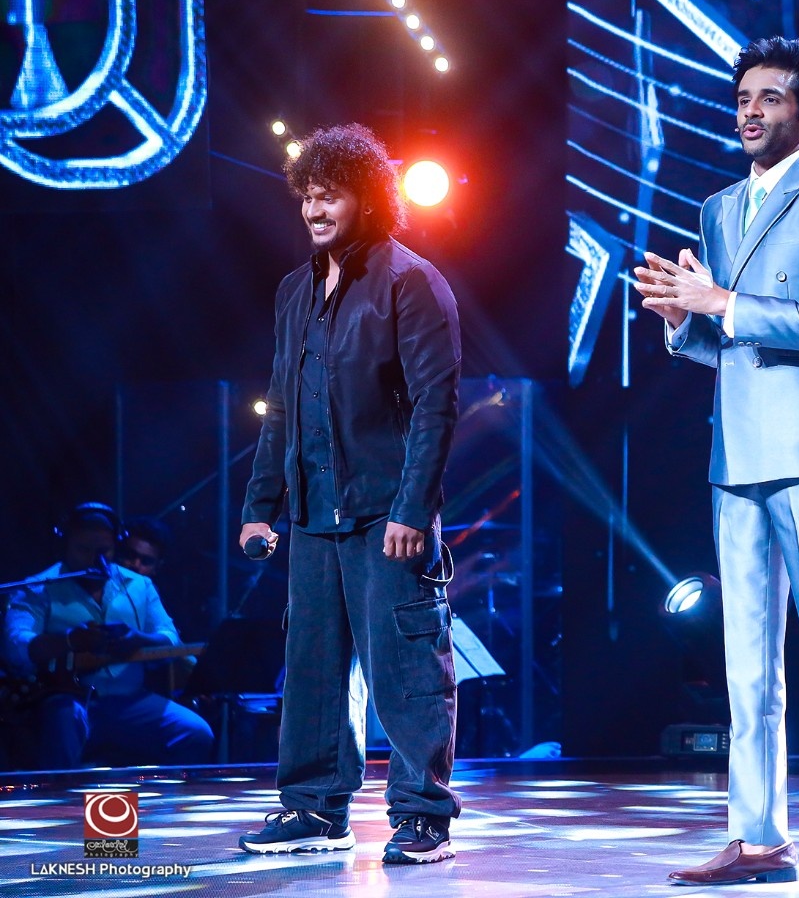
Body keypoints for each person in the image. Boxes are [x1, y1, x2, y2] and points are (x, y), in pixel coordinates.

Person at [634, 36, 799, 898]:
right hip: (736, 453)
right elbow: (724, 342)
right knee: (746, 661)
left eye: (769, 98)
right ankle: (758, 837)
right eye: (743, 98)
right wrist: (683, 322)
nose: (749, 111)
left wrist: (725, 301)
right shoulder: (718, 207)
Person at [236, 124, 463, 865]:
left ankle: (423, 816)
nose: (314, 209)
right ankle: (313, 810)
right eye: (306, 195)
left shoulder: (410, 281)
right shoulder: (294, 290)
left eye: (328, 195)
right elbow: (283, 404)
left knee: (407, 668)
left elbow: (434, 406)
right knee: (313, 671)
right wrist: (260, 508)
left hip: (385, 514)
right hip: (313, 516)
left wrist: (412, 509)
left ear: (366, 198)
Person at [2, 502, 214, 768]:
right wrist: (69, 641)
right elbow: (15, 645)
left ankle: (161, 795)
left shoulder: (140, 585)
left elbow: (169, 636)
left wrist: (138, 639)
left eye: (103, 551)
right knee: (64, 718)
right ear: (65, 544)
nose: (95, 559)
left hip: (131, 700)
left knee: (196, 733)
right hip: (70, 699)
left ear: (116, 546)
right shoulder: (37, 587)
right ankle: (63, 794)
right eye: (83, 550)